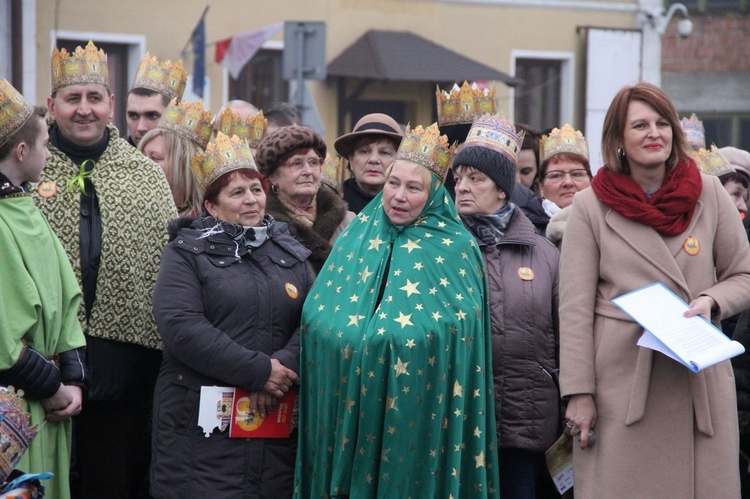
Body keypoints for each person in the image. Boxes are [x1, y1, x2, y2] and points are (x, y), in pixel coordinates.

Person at [559, 81, 750, 498]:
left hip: (696, 378)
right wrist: (579, 394)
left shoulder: (710, 193)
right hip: (622, 386)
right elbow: (573, 310)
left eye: (663, 123)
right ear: (619, 139)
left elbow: (744, 275)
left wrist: (711, 300)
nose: (654, 133)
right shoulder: (590, 207)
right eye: (640, 125)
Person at [295, 123, 500, 497]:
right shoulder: (357, 235)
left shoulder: (457, 250)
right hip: (346, 400)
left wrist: (391, 342)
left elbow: (458, 332)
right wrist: (351, 341)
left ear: (436, 194)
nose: (399, 196)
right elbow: (317, 313)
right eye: (393, 184)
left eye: (413, 187)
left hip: (420, 408)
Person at [36, 41, 177, 498]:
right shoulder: (27, 167)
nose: (84, 110)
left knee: (110, 480)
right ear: (52, 104)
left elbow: (165, 265)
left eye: (94, 98)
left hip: (125, 361)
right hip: (40, 358)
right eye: (72, 98)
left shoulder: (145, 174)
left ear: (110, 105)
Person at [151, 132, 313, 497]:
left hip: (274, 428)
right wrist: (259, 372)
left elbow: (314, 321)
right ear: (211, 205)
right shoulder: (185, 253)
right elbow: (181, 326)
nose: (251, 200)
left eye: (255, 189)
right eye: (236, 193)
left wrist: (281, 371)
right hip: (200, 433)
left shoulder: (292, 252)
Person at [452, 113, 561, 499]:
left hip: (526, 425)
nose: (462, 187)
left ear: (502, 188)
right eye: (458, 178)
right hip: (457, 426)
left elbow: (566, 337)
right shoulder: (441, 250)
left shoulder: (545, 254)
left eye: (475, 178)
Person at [0, 81, 88, 499]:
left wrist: (74, 379)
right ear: (21, 152)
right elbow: (5, 339)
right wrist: (53, 389)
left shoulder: (25, 206)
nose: (50, 154)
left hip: (46, 401)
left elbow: (63, 303)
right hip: (16, 404)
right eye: (46, 145)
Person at [256, 125, 354, 274]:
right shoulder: (261, 224)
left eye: (314, 162)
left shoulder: (348, 221)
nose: (308, 171)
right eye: (297, 163)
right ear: (273, 177)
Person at [139, 99, 212, 217]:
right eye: (142, 156)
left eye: (155, 158)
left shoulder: (204, 226)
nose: (142, 163)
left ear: (183, 166)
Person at [333, 113, 403, 214]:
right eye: (364, 151)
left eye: (384, 152)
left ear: (399, 161)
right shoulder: (330, 206)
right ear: (351, 160)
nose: (373, 160)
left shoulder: (411, 207)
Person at [126, 52, 187, 146]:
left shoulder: (192, 160)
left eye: (152, 116)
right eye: (133, 116)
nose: (140, 127)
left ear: (174, 118)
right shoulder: (109, 158)